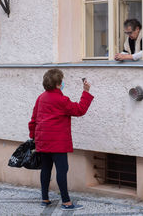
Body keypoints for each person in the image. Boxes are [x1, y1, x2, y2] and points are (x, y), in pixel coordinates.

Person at [28, 69, 94, 211]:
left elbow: (33, 120)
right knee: (62, 170)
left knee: (45, 169)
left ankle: (44, 199)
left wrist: (33, 137)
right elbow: (79, 110)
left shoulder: (41, 98)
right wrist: (86, 92)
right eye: (62, 81)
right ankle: (66, 202)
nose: (63, 83)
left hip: (43, 141)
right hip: (58, 143)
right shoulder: (62, 100)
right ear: (58, 84)